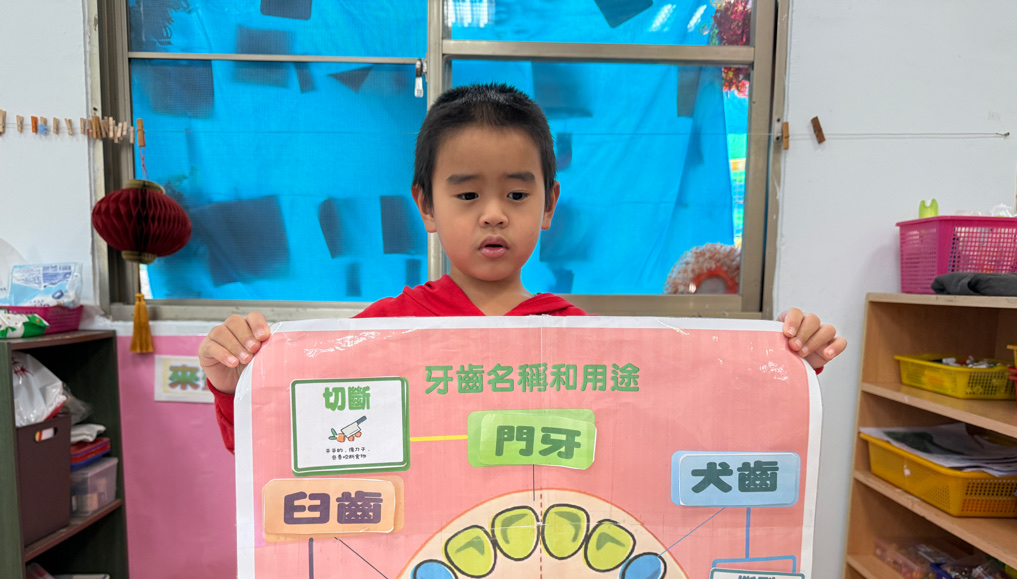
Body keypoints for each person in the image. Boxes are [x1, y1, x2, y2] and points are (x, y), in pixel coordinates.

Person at [200, 83, 846, 452]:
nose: (493, 215)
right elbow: (282, 447)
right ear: (425, 205)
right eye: (466, 195)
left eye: (515, 194)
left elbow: (675, 431)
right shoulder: (383, 331)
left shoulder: (580, 337)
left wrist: (789, 369)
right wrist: (233, 387)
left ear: (548, 205)